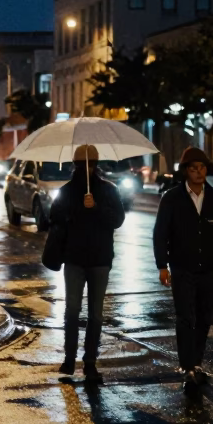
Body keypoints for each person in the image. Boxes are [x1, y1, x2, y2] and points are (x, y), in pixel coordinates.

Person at [152, 145, 213, 395]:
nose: (198, 172)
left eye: (202, 168)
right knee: (185, 317)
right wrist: (162, 265)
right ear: (185, 171)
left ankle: (197, 363)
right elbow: (160, 234)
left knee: (203, 317)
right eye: (193, 168)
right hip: (182, 267)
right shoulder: (171, 198)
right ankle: (187, 366)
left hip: (209, 268)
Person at [47, 144, 126, 382]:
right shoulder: (67, 191)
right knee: (72, 310)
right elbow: (55, 217)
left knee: (96, 314)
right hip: (74, 259)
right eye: (83, 165)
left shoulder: (108, 190)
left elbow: (118, 219)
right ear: (76, 167)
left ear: (97, 166)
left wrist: (97, 208)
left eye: (91, 165)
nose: (87, 169)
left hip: (100, 259)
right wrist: (77, 210)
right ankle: (69, 359)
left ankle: (90, 361)